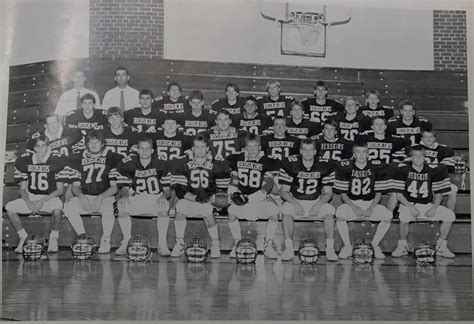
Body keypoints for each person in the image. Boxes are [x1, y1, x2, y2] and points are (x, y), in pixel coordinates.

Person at [169, 135, 230, 258]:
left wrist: (215, 201)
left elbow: (222, 189)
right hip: (191, 199)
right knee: (180, 206)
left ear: (208, 149)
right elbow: (180, 190)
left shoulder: (217, 164)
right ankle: (179, 243)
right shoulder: (184, 164)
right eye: (197, 147)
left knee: (207, 210)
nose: (200, 150)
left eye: (203, 147)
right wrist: (196, 199)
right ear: (192, 149)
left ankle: (215, 243)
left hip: (208, 200)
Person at [5, 136, 68, 253]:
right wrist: (28, 201)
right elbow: (22, 189)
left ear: (48, 147)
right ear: (34, 148)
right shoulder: (26, 162)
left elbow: (60, 190)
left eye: (43, 146)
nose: (40, 149)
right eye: (38, 146)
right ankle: (23, 237)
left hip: (49, 197)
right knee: (9, 207)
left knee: (57, 210)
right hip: (31, 196)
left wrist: (42, 201)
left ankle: (54, 237)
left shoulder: (56, 161)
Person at [279, 138, 338, 261]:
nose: (308, 153)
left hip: (316, 200)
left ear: (315, 151)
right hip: (295, 199)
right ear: (300, 151)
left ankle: (330, 248)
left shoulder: (324, 166)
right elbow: (283, 191)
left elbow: (328, 193)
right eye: (305, 150)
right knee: (286, 212)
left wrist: (318, 204)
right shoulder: (291, 164)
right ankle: (289, 248)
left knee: (329, 212)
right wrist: (295, 203)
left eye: (311, 150)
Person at [391, 145, 455, 258]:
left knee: (449, 215)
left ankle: (441, 246)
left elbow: (439, 194)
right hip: (409, 204)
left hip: (427, 205)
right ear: (410, 158)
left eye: (421, 156)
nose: (418, 158)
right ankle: (402, 246)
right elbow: (398, 194)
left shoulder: (432, 170)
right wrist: (411, 207)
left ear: (425, 157)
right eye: (415, 156)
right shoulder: (403, 170)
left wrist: (433, 208)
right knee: (404, 217)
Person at [63, 130, 123, 253]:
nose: (94, 145)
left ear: (102, 144)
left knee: (108, 207)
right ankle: (83, 238)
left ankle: (106, 239)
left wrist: (100, 197)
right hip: (85, 196)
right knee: (68, 207)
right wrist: (80, 196)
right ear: (86, 144)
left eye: (97, 142)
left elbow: (114, 187)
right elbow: (75, 186)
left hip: (104, 196)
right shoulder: (78, 158)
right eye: (91, 142)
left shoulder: (111, 158)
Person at [334, 141, 393, 259]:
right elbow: (343, 193)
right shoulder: (346, 167)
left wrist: (371, 208)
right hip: (352, 203)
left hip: (370, 203)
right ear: (354, 154)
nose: (361, 155)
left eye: (364, 152)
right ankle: (347, 246)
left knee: (388, 215)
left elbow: (379, 192)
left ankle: (374, 245)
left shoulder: (376, 167)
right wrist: (354, 207)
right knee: (340, 213)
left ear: (368, 154)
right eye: (358, 152)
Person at [227, 134, 281, 259]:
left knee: (274, 211)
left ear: (260, 147)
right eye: (249, 146)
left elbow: (265, 189)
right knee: (231, 211)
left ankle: (268, 244)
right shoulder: (237, 160)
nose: (252, 150)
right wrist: (234, 194)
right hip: (243, 200)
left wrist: (248, 199)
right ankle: (237, 243)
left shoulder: (268, 162)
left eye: (255, 146)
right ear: (245, 147)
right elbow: (234, 182)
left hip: (259, 201)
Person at [115, 137, 172, 255]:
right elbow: (124, 189)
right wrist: (124, 196)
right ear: (137, 150)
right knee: (121, 205)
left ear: (152, 151)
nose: (144, 151)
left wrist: (162, 197)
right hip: (137, 197)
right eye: (142, 148)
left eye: (147, 149)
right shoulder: (129, 165)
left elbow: (168, 191)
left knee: (164, 206)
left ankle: (162, 242)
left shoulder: (161, 164)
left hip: (155, 198)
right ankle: (126, 240)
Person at [406, 129, 458, 212]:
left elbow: (448, 166)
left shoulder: (443, 149)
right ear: (421, 139)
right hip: (419, 179)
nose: (428, 139)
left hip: (436, 180)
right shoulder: (414, 148)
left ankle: (449, 214)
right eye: (425, 137)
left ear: (434, 138)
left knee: (453, 189)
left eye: (431, 137)